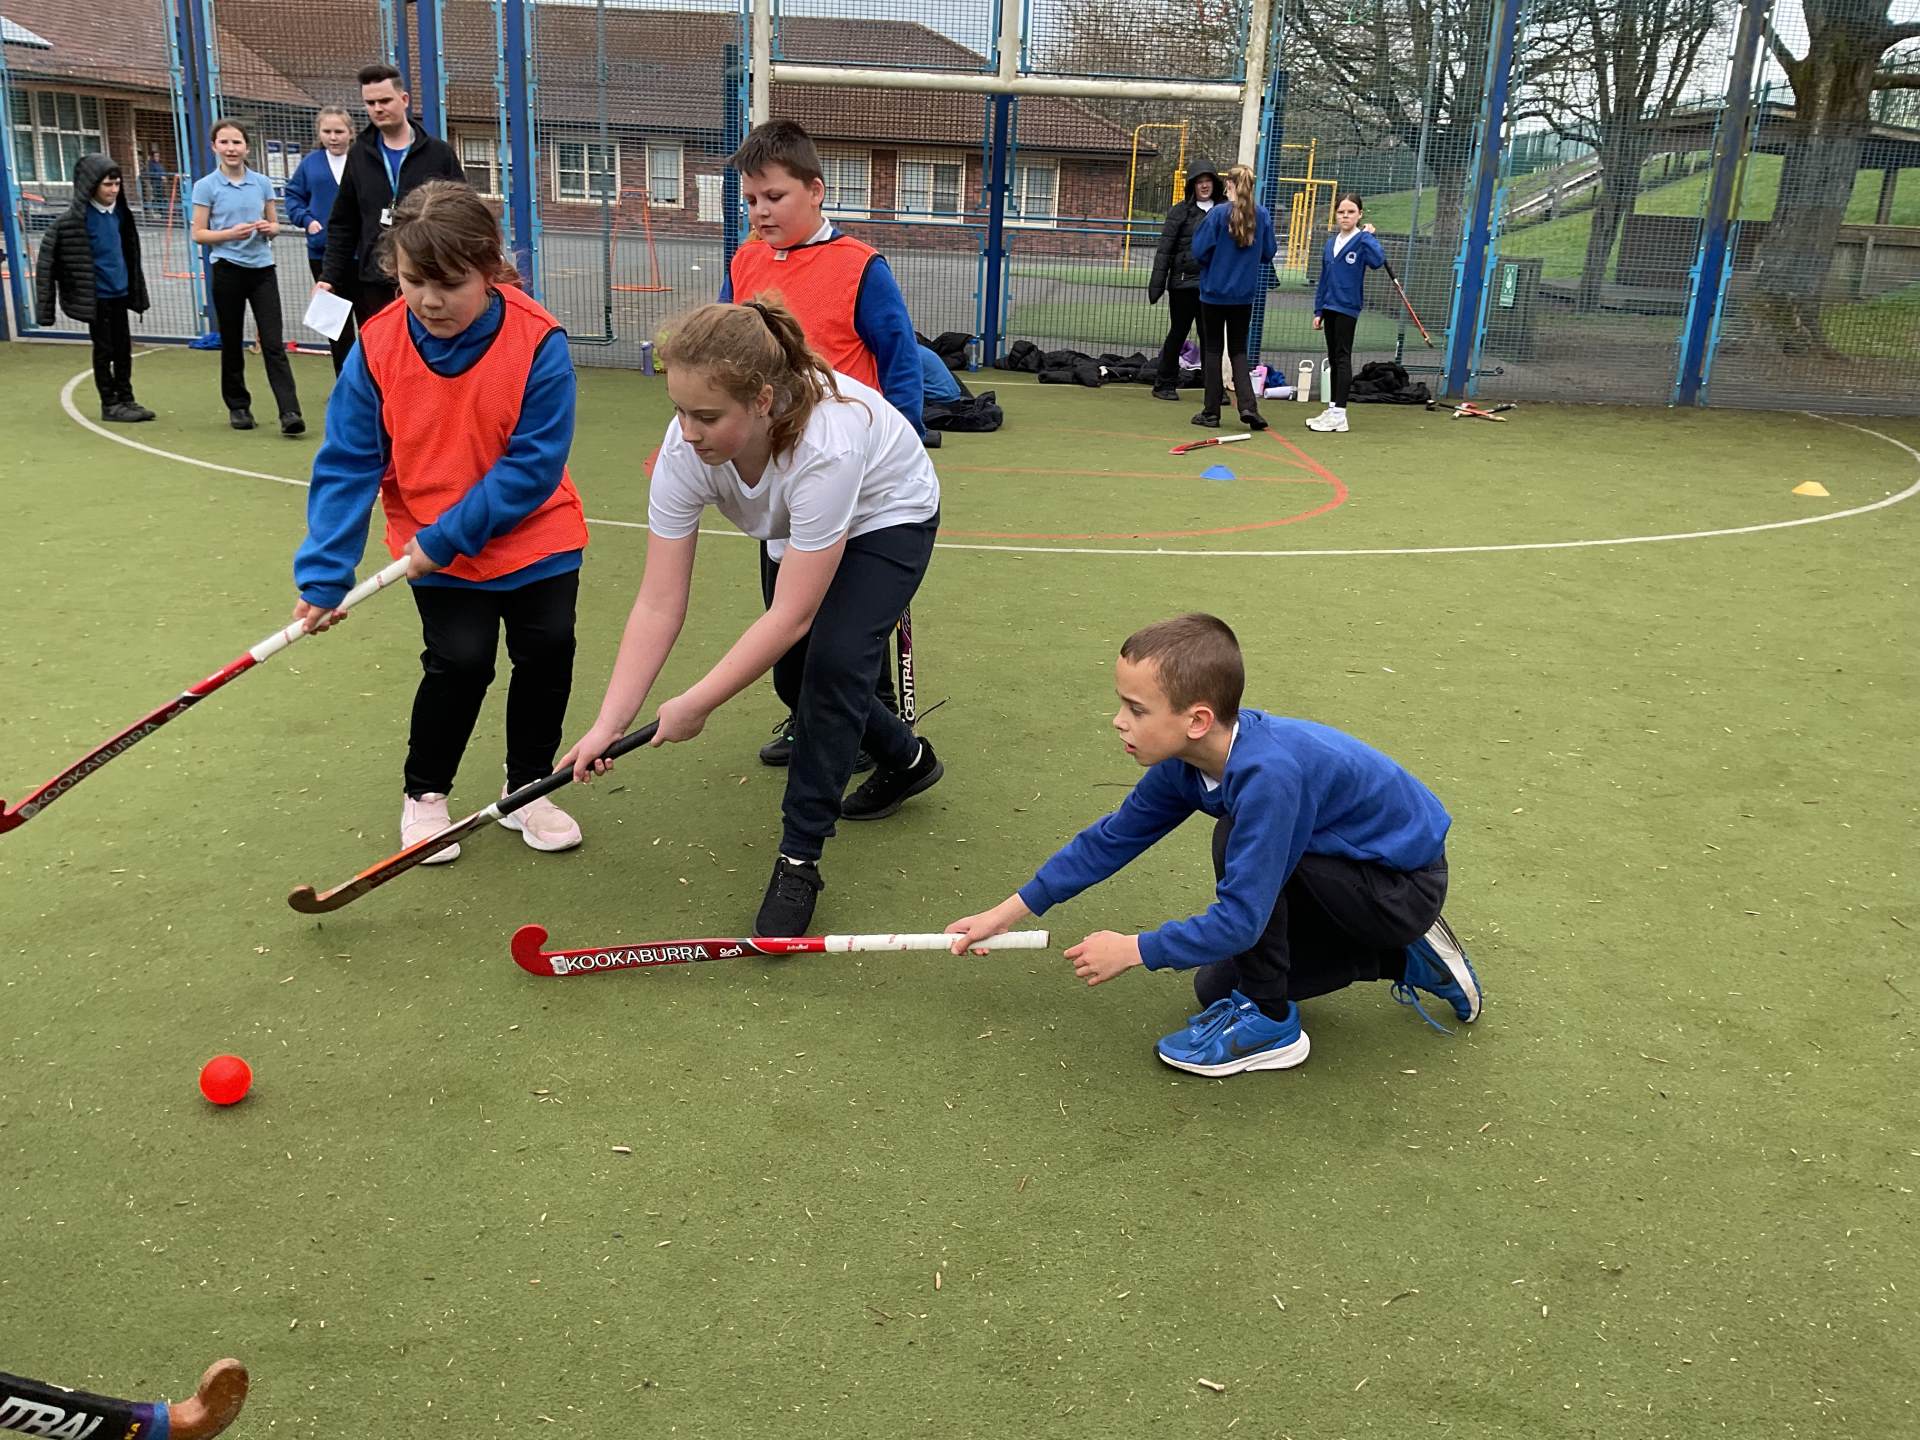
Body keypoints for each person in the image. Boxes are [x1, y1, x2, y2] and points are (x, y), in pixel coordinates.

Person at [944, 613, 1481, 1078]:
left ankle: (1273, 1027)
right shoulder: (1187, 761)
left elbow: (1243, 921)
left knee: (1235, 841)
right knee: (1216, 986)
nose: (1119, 721)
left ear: (1197, 720)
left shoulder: (1268, 777)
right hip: (1342, 873)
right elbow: (1112, 840)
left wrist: (1134, 949)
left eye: (1136, 709)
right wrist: (1005, 913)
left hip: (1400, 887)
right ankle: (1400, 957)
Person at [563, 299, 942, 938]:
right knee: (794, 681)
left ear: (763, 400)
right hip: (798, 523)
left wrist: (696, 704)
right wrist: (610, 722)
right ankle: (907, 760)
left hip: (887, 513)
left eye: (707, 416)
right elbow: (658, 601)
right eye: (679, 411)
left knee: (832, 665)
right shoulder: (686, 449)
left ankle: (800, 859)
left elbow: (792, 615)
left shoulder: (827, 442)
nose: (688, 432)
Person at [292, 181, 587, 862]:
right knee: (460, 662)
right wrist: (326, 573)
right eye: (413, 281)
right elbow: (349, 462)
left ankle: (528, 787)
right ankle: (425, 796)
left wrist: (448, 537)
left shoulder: (538, 340)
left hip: (533, 536)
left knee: (547, 654)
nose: (429, 300)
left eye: (450, 284)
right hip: (432, 543)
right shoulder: (378, 344)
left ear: (490, 269)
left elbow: (533, 466)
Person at [720, 119, 924, 772]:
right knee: (786, 607)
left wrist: (905, 449)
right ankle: (807, 712)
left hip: (848, 466)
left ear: (815, 190)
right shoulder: (746, 260)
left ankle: (870, 725)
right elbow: (724, 348)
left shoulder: (861, 266)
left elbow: (900, 360)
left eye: (774, 197)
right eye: (751, 200)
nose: (760, 212)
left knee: (848, 618)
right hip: (777, 465)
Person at [318, 62, 465, 325]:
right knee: (379, 346)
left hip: (426, 277)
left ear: (404, 99)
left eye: (385, 100)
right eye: (370, 103)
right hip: (374, 279)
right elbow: (344, 221)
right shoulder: (358, 155)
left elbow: (463, 213)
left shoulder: (438, 153)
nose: (377, 108)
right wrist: (329, 276)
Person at [189, 119, 304, 436]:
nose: (231, 148)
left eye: (236, 142)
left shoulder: (262, 183)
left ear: (247, 148)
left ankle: (289, 411)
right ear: (214, 147)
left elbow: (274, 224)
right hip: (227, 269)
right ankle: (238, 406)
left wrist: (270, 229)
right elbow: (198, 233)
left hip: (262, 271)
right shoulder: (206, 186)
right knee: (231, 340)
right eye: (224, 142)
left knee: (273, 342)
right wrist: (229, 234)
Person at [35, 152, 153, 423]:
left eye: (117, 184)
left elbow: (129, 254)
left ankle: (127, 398)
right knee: (104, 350)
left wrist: (136, 290)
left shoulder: (121, 215)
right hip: (96, 297)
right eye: (107, 185)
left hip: (120, 293)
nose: (113, 190)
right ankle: (109, 403)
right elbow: (46, 267)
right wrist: (45, 310)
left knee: (123, 349)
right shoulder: (70, 223)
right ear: (90, 185)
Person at [1189, 163, 1276, 432]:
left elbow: (1199, 250)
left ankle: (1211, 411)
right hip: (1243, 295)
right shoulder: (1261, 215)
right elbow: (1268, 252)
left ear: (1229, 185)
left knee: (1213, 350)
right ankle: (1248, 407)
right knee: (1239, 351)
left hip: (1214, 294)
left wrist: (1214, 265)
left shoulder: (1217, 214)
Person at [283, 106, 357, 373]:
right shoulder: (310, 164)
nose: (333, 137)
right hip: (322, 255)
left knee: (371, 322)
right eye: (327, 131)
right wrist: (306, 220)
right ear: (319, 133)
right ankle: (344, 382)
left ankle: (372, 385)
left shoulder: (362, 161)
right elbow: (293, 196)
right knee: (337, 326)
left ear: (350, 133)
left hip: (362, 255)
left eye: (339, 131)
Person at [1310, 192, 1387, 435]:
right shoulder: (1330, 243)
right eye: (1341, 212)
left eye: (1351, 212)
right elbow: (1324, 279)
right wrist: (1319, 310)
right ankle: (1333, 408)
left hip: (1347, 307)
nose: (1345, 216)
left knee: (1342, 357)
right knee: (1333, 358)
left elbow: (1378, 261)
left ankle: (1340, 415)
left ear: (1359, 214)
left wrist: (1368, 237)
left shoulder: (1362, 241)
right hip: (1329, 306)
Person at [1146, 158, 1222, 401]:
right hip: (1183, 284)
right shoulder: (1179, 212)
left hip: (1213, 286)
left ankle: (1214, 390)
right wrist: (1157, 285)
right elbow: (1165, 250)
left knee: (1211, 338)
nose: (1204, 186)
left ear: (1215, 183)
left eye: (1208, 181)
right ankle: (1164, 384)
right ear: (1192, 185)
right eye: (1199, 182)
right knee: (1178, 332)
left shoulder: (1225, 209)